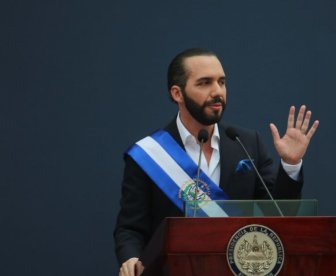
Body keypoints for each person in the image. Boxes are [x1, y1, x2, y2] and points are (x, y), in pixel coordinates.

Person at [114, 48, 319, 276]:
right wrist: (131, 258)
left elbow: (279, 214)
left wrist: (291, 164)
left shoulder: (248, 143)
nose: (217, 91)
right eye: (204, 83)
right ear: (177, 93)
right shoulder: (149, 154)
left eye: (221, 82)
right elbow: (130, 228)